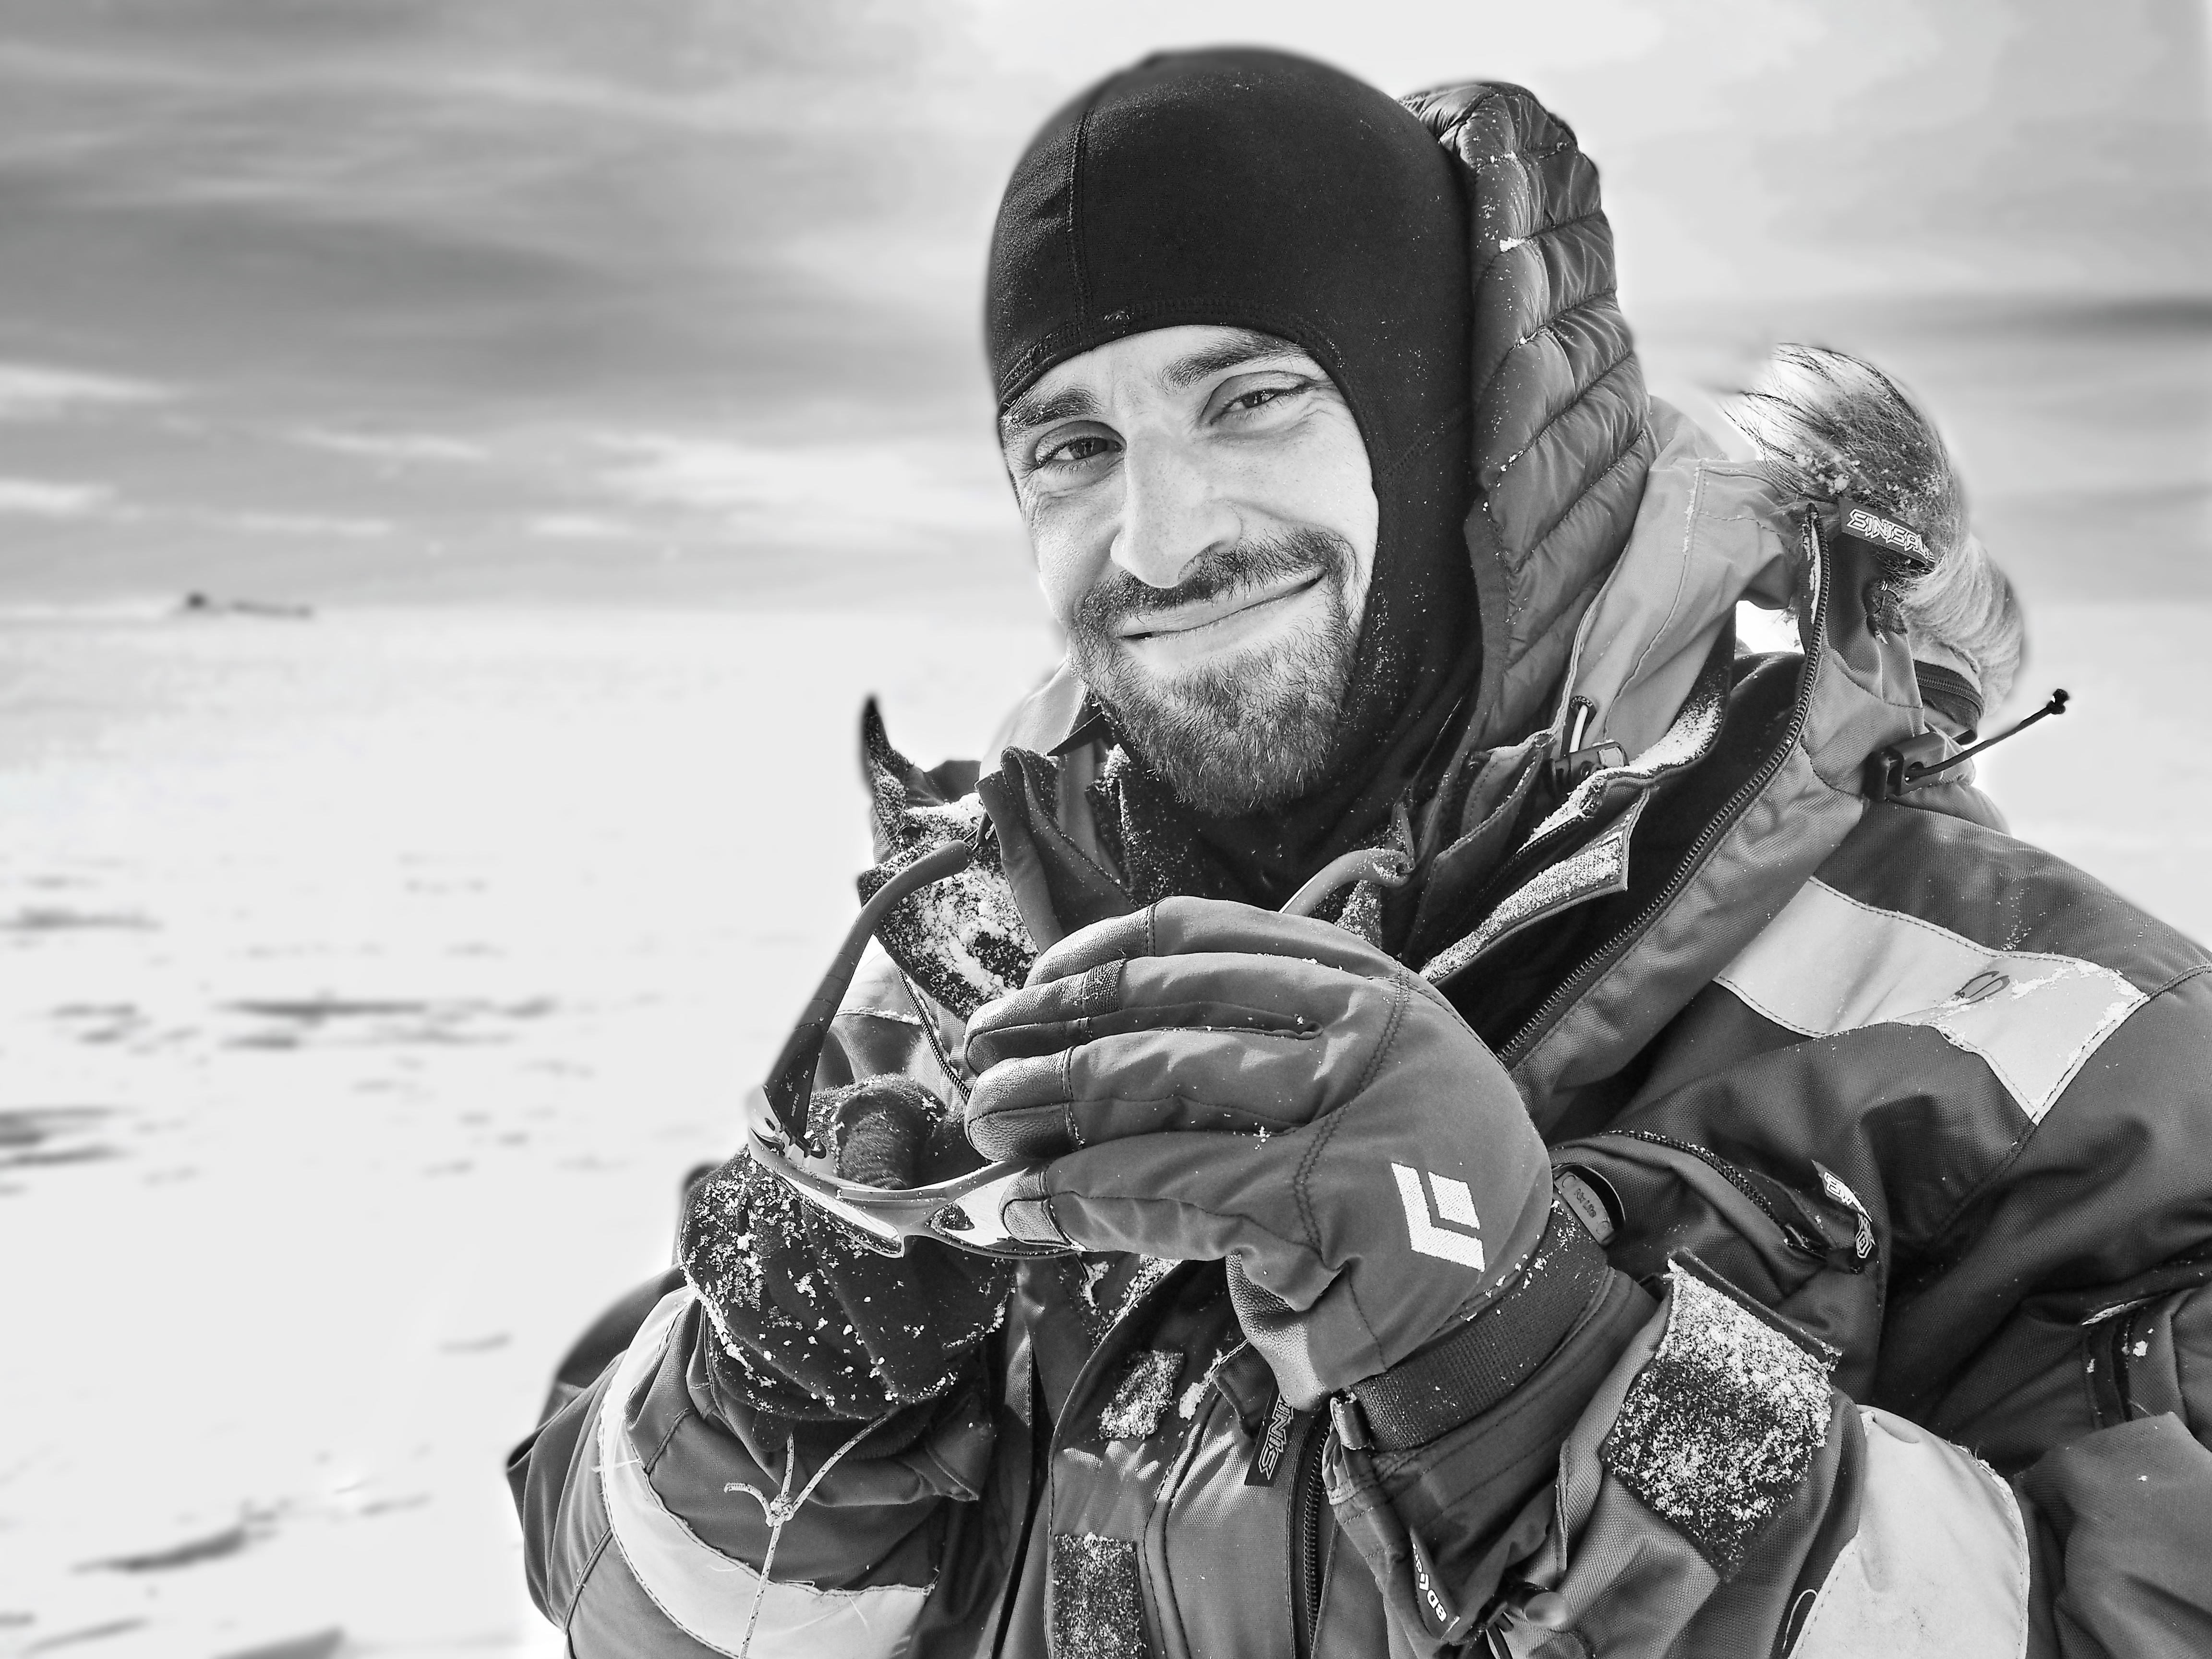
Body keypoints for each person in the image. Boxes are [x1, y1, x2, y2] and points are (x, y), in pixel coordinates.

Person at [508, 49, 2212, 1659]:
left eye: (1252, 400)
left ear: (1444, 420)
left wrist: (1545, 1373)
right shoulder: (977, 958)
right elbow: (639, 1614)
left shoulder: (2045, 1048)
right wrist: (768, 1410)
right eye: (1075, 449)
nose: (1158, 540)